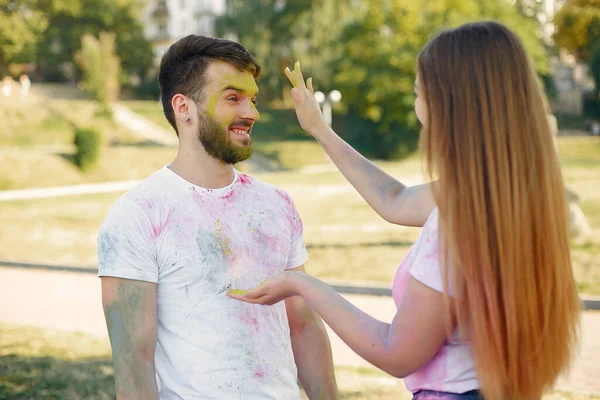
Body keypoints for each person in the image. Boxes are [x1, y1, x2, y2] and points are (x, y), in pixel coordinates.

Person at [228, 21, 581, 400]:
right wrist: (321, 131)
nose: (416, 106)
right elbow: (393, 200)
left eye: (418, 92)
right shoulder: (512, 194)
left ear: (448, 104)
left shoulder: (457, 225)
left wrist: (301, 284)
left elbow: (397, 353)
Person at [98, 35, 338, 400]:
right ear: (184, 108)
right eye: (233, 98)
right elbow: (134, 362)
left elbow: (302, 325)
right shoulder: (138, 215)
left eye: (252, 99)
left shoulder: (277, 204)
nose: (252, 113)